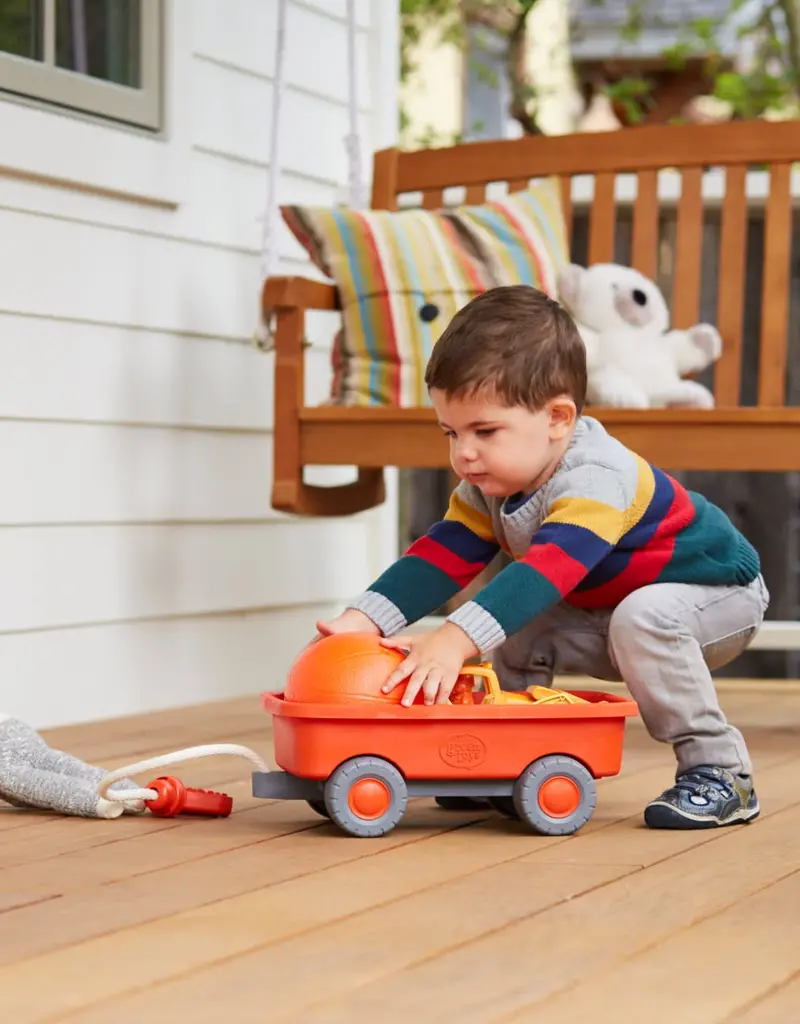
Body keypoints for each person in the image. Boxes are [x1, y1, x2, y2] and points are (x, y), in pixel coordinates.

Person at [315, 285, 769, 831]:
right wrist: (362, 620)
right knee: (517, 625)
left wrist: (453, 640)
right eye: (452, 432)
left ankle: (721, 772)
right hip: (612, 608)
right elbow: (441, 555)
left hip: (717, 596)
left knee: (635, 615)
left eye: (485, 431)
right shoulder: (492, 483)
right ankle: (504, 757)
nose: (464, 454)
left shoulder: (595, 475)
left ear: (557, 417)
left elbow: (549, 570)